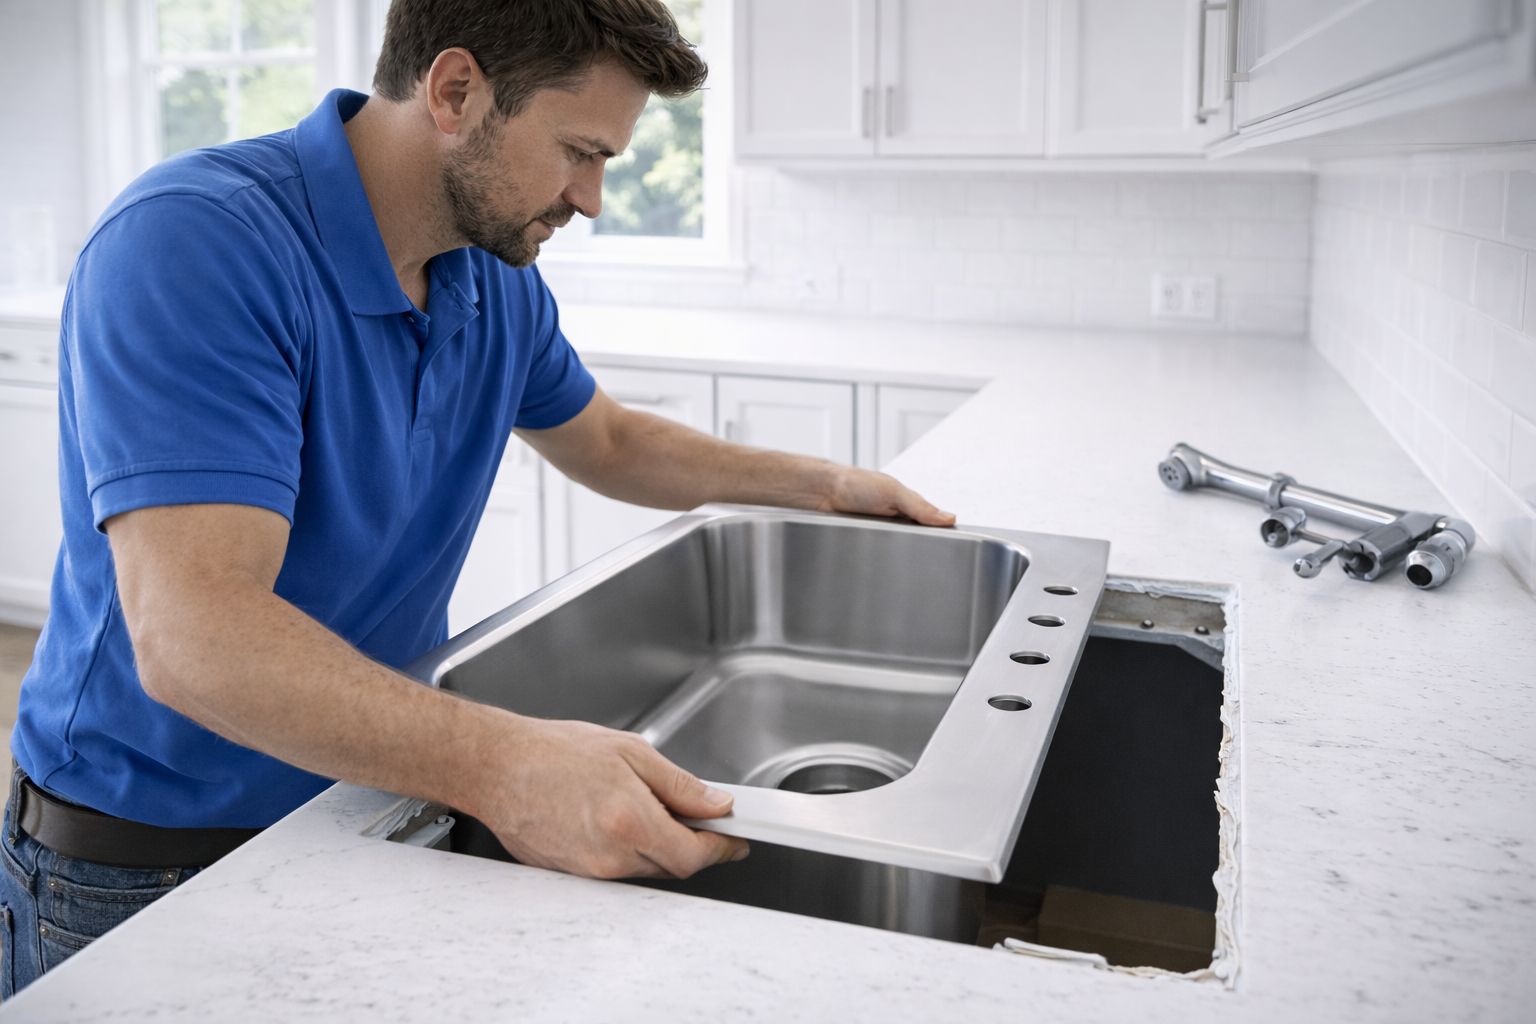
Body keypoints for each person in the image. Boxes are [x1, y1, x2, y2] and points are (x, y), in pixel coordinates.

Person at [0, 0, 953, 995]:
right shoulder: (197, 245)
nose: (590, 199)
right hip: (142, 864)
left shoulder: (489, 275)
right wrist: (506, 764)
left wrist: (822, 484)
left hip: (370, 805)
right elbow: (197, 638)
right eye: (579, 151)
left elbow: (613, 440)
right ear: (456, 92)